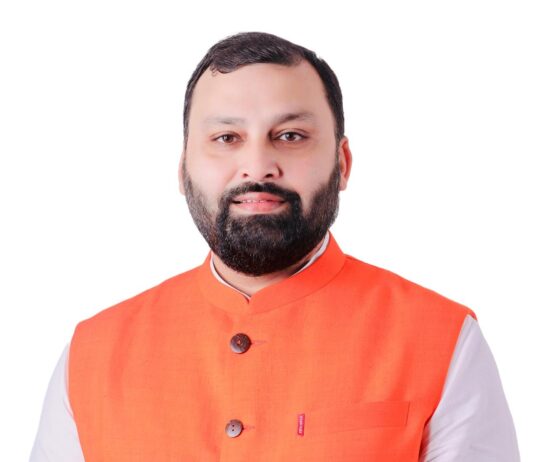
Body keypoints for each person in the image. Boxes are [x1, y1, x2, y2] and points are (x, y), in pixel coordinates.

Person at [30, 31, 520, 461]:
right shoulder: (91, 355)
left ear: (342, 164)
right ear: (183, 170)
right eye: (226, 137)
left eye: (290, 135)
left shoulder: (443, 340)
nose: (258, 165)